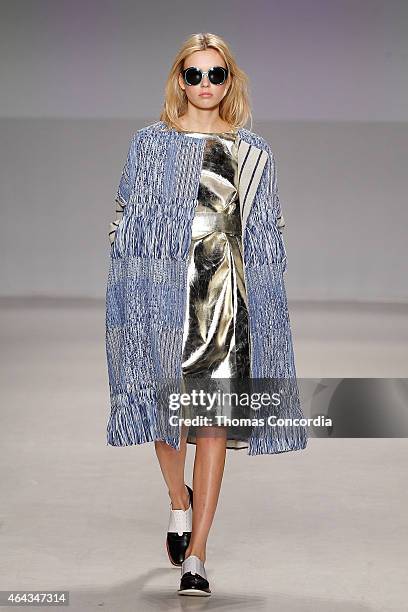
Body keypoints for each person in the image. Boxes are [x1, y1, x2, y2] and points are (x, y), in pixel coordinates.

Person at [105, 32, 308, 597]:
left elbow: (269, 233)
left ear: (229, 82)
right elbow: (124, 223)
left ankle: (197, 556)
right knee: (166, 421)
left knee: (213, 424)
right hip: (162, 304)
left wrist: (265, 310)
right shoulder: (150, 145)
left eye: (214, 75)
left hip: (224, 304)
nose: (203, 85)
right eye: (192, 75)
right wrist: (130, 299)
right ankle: (179, 502)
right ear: (178, 80)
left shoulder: (252, 153)